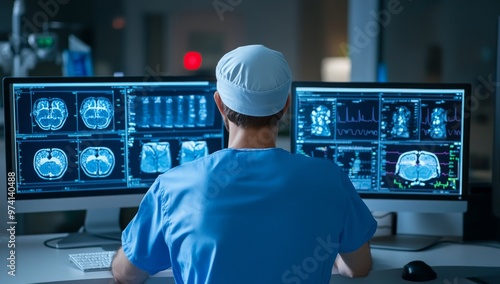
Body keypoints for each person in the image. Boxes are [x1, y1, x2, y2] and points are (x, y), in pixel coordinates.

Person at [111, 44, 377, 284]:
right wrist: (336, 254)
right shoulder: (329, 180)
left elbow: (127, 274)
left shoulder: (173, 187)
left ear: (220, 104)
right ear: (285, 106)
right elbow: (358, 268)